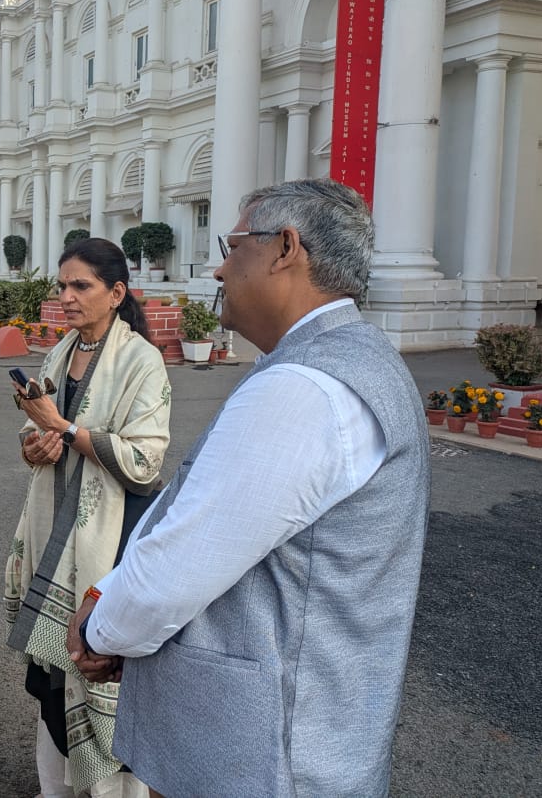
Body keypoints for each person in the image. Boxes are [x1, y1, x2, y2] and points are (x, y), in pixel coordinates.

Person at [67, 179, 431, 797]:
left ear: (285, 248)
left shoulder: (306, 387)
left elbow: (184, 561)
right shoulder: (351, 359)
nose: (218, 266)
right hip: (300, 735)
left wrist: (103, 628)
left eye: (232, 246)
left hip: (266, 755)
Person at [5, 237, 171, 798]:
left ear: (116, 293)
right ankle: (56, 789)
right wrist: (36, 444)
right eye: (62, 286)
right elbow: (40, 431)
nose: (67, 297)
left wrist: (65, 429)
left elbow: (146, 463)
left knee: (99, 671)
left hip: (111, 539)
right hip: (55, 532)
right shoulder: (62, 350)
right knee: (53, 681)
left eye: (81, 286)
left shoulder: (141, 360)